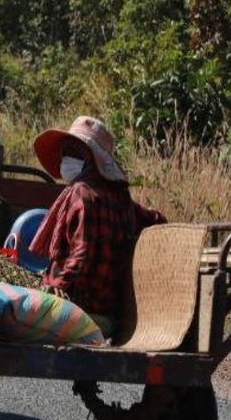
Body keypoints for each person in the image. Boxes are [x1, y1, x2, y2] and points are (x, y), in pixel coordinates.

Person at [28, 116, 167, 338]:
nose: (65, 160)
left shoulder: (82, 193)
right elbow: (157, 219)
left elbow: (82, 253)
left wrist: (57, 287)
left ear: (90, 159)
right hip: (110, 314)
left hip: (79, 311)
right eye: (65, 153)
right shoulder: (120, 197)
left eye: (73, 154)